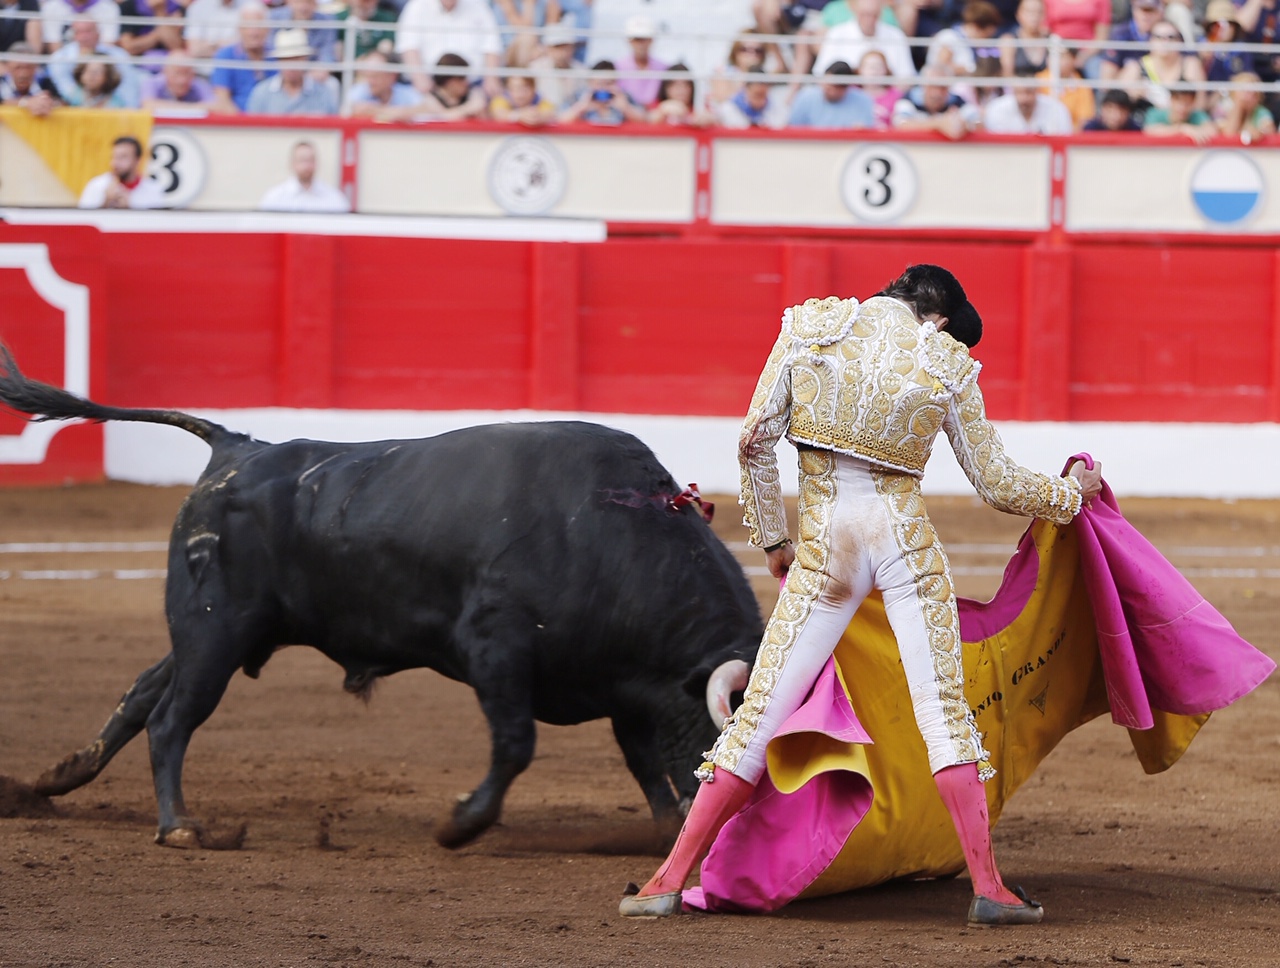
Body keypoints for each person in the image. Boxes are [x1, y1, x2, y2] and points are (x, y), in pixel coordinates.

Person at [619, 264, 1103, 924]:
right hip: (902, 546)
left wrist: (773, 541)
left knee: (758, 717)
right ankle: (990, 889)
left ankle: (665, 883)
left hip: (824, 547)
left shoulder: (808, 328)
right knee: (943, 715)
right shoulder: (944, 360)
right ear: (935, 319)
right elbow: (996, 484)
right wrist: (1073, 494)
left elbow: (754, 438)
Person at [395, 0, 501, 98]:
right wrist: (419, 78)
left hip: (473, 86)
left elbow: (492, 45)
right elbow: (408, 45)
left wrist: (491, 78)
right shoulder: (416, 6)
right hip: (428, 88)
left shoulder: (478, 6)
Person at [1117, 17, 1206, 115]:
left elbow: (1200, 104)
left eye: (1171, 37)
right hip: (1145, 125)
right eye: (1158, 37)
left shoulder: (1190, 64)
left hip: (1182, 124)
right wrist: (1133, 95)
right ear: (1149, 41)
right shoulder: (1136, 67)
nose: (1165, 42)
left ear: (1180, 41)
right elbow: (1117, 102)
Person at [814, 0, 916, 80]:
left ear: (880, 13)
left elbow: (906, 77)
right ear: (856, 12)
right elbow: (821, 72)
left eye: (874, 15)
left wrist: (889, 98)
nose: (870, 20)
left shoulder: (896, 35)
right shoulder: (837, 34)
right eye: (865, 14)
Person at [47, 18, 139, 107]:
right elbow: (65, 91)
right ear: (73, 36)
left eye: (88, 31)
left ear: (98, 34)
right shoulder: (60, 57)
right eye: (79, 32)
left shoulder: (118, 55)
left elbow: (128, 91)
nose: (84, 37)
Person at [245, 27, 338, 115]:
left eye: (296, 59)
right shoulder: (261, 93)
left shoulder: (323, 93)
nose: (291, 65)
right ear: (278, 61)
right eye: (286, 59)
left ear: (305, 59)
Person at [209, 2, 276, 114]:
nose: (253, 33)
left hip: (272, 122)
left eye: (258, 26)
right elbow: (223, 99)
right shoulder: (225, 56)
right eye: (249, 26)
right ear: (240, 29)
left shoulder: (276, 57)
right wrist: (244, 125)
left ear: (267, 30)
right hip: (237, 124)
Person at [892, 63, 982, 138]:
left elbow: (979, 124)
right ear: (923, 85)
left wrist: (964, 125)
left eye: (942, 87)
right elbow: (901, 125)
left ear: (949, 87)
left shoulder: (958, 101)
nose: (937, 93)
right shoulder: (908, 99)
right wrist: (938, 123)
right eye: (933, 86)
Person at [259, 139, 350, 212]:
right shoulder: (274, 198)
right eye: (302, 160)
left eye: (310, 160)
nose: (307, 166)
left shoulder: (335, 199)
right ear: (292, 164)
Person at [79, 135, 166, 209]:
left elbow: (155, 226)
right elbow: (83, 222)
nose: (115, 163)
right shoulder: (97, 185)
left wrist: (128, 209)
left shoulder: (153, 190)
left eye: (123, 157)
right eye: (114, 157)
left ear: (138, 160)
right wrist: (106, 202)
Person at [787, 58, 877, 127]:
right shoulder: (806, 96)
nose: (825, 89)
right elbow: (792, 128)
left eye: (831, 87)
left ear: (844, 89)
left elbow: (866, 131)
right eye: (825, 84)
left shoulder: (863, 101)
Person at [983, 66, 1074, 131]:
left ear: (1037, 91)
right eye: (1019, 92)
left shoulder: (1056, 109)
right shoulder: (997, 109)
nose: (1024, 99)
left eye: (1029, 92)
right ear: (1013, 92)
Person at [559, 59, 647, 125]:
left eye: (608, 83)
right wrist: (581, 107)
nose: (603, 88)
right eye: (599, 83)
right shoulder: (578, 96)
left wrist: (626, 108)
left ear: (616, 82)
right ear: (590, 82)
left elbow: (645, 120)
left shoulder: (623, 96)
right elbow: (559, 120)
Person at [343, 48, 421, 117]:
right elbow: (347, 113)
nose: (370, 81)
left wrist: (375, 110)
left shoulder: (407, 93)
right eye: (367, 76)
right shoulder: (358, 91)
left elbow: (427, 110)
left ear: (392, 76)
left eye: (375, 76)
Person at [411, 51, 487, 119]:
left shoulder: (473, 93)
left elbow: (482, 114)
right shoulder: (431, 99)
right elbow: (443, 118)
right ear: (448, 81)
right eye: (461, 78)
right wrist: (468, 109)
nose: (466, 82)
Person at [525, 20, 583, 109]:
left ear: (572, 47)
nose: (562, 52)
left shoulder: (581, 70)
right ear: (547, 48)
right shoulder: (535, 68)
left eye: (565, 46)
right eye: (557, 47)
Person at [615, 13, 668, 109]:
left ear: (651, 40)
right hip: (626, 119)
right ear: (629, 41)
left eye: (644, 39)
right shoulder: (617, 67)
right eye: (637, 39)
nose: (641, 44)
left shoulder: (664, 68)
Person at [1036, 44, 1095, 129]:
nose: (1056, 60)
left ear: (1074, 59)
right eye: (1052, 56)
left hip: (1070, 138)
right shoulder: (1037, 81)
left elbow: (1084, 121)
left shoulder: (1083, 87)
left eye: (1062, 56)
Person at [714, 65, 789, 128]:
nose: (761, 100)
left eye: (763, 95)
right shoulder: (728, 109)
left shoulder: (776, 110)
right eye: (757, 95)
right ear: (746, 89)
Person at [141, 49, 216, 111]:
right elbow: (148, 105)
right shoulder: (151, 83)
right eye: (177, 73)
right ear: (165, 72)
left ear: (193, 74)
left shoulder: (200, 84)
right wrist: (192, 108)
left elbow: (214, 106)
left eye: (187, 73)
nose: (182, 80)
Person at [268, 0, 337, 66]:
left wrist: (323, 67)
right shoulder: (274, 17)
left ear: (315, 3)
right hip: (281, 70)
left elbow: (327, 51)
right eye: (298, 1)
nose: (303, 7)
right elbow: (269, 49)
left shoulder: (326, 21)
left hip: (312, 72)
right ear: (288, 1)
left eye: (308, 2)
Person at [0, 42, 60, 114]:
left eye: (28, 67)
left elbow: (62, 102)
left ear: (36, 67)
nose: (23, 74)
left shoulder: (45, 82)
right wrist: (25, 103)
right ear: (8, 67)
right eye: (18, 67)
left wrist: (49, 103)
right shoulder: (1, 82)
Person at [1217, 70, 1277, 140]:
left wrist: (1258, 132)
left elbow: (1269, 131)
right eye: (1244, 90)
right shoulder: (1224, 108)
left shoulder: (1262, 112)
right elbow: (1229, 134)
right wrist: (1238, 106)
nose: (1249, 95)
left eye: (1253, 92)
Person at [647, 63, 714, 126]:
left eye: (686, 85)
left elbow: (715, 118)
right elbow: (646, 119)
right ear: (666, 88)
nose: (682, 90)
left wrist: (708, 119)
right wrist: (662, 111)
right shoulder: (657, 105)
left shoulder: (699, 108)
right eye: (676, 85)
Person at [41, 0, 120, 51]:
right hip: (64, 63)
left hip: (98, 64)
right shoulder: (51, 7)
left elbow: (108, 45)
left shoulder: (109, 7)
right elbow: (54, 46)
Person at [1143, 86, 1216, 140]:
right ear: (1171, 100)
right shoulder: (1155, 113)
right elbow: (1149, 130)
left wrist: (1190, 129)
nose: (1183, 108)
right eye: (1180, 103)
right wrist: (1182, 128)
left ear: (1194, 103)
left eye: (1187, 103)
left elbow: (1212, 131)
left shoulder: (1198, 115)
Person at [999, 0, 1050, 78]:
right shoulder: (1009, 40)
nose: (1034, 17)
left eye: (1039, 12)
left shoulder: (1051, 39)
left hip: (1046, 88)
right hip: (1019, 89)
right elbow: (1007, 75)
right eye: (1030, 12)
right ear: (1019, 14)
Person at [855, 48, 902, 127]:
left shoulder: (895, 95)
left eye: (879, 67)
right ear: (860, 70)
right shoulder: (852, 94)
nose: (874, 71)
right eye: (870, 67)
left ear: (885, 70)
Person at [489, 72, 556, 124]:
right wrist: (519, 116)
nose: (520, 94)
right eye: (515, 88)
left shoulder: (541, 100)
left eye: (524, 88)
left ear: (533, 88)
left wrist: (538, 118)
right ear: (508, 89)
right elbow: (498, 113)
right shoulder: (500, 100)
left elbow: (550, 113)